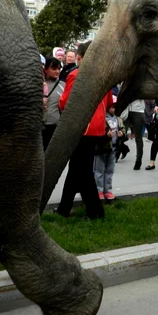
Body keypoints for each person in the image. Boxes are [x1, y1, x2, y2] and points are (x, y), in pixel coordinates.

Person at [56, 41, 113, 220]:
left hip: (81, 127)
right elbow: (110, 103)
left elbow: (65, 103)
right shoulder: (105, 76)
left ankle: (95, 211)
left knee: (83, 171)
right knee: (77, 169)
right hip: (97, 128)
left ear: (80, 58)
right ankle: (64, 208)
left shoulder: (76, 75)